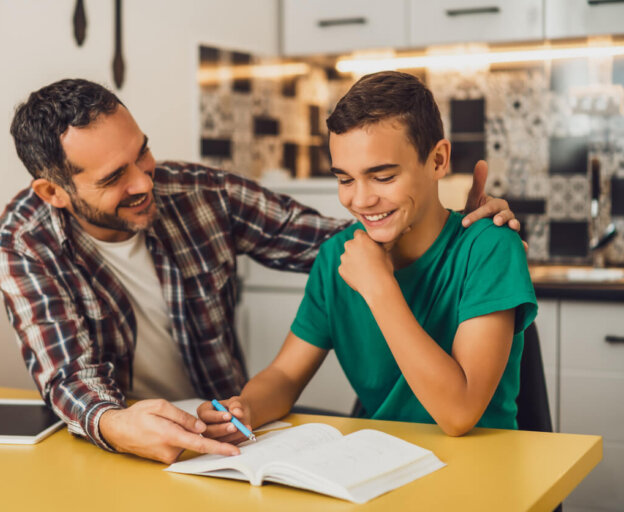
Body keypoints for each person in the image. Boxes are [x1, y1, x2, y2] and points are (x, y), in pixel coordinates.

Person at [0, 78, 520, 463]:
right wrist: (118, 423)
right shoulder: (21, 243)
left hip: (222, 432)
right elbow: (67, 375)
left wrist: (458, 217)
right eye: (112, 178)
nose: (145, 182)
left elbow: (350, 235)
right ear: (53, 192)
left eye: (142, 154)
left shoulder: (203, 194)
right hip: (131, 440)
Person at [198, 71, 537, 442]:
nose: (359, 200)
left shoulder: (490, 248)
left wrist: (378, 285)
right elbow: (285, 375)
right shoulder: (336, 258)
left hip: (483, 471)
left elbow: (459, 414)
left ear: (438, 160)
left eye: (383, 177)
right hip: (381, 463)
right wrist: (245, 407)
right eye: (345, 180)